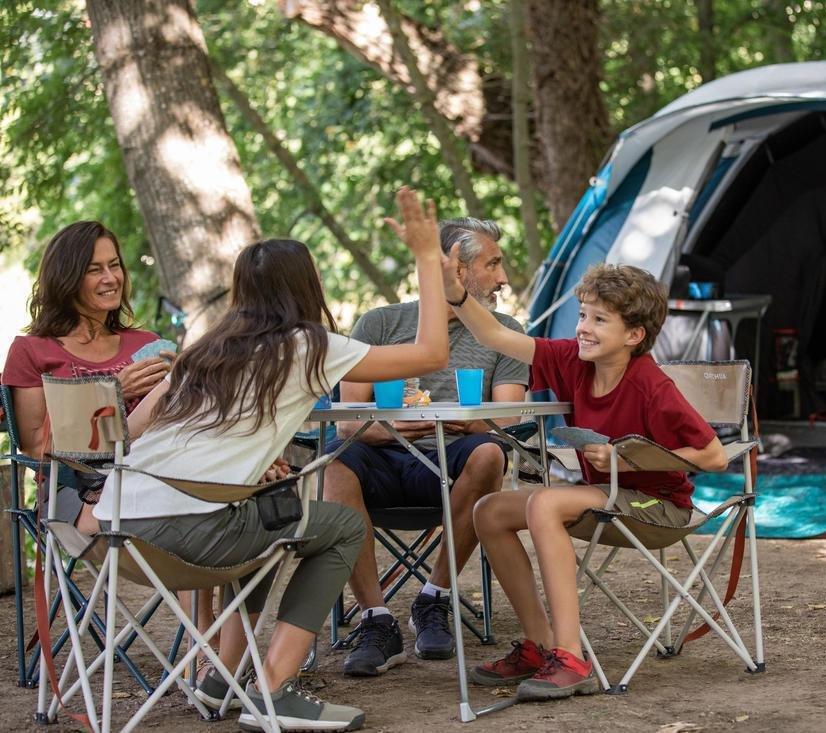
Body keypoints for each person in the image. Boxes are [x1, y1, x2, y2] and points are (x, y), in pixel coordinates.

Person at [95, 187, 449, 732]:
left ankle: (220, 681)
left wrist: (237, 463)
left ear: (243, 291)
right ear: (309, 288)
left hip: (119, 530)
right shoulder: (308, 345)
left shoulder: (204, 349)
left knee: (269, 513)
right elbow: (431, 354)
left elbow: (134, 432)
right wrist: (428, 255)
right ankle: (275, 689)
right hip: (196, 528)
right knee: (339, 526)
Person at [442, 258, 729, 702]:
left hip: (659, 506)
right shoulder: (574, 363)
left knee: (544, 502)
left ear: (634, 336)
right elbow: (495, 336)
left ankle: (571, 657)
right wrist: (456, 294)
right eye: (581, 315)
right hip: (607, 497)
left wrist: (626, 461)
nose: (583, 328)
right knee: (490, 511)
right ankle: (538, 647)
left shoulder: (651, 386)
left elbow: (713, 456)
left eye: (599, 319)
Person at [323, 217, 528, 676]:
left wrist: (447, 420)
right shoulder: (379, 323)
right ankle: (376, 620)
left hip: (455, 459)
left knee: (491, 453)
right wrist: (390, 426)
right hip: (382, 454)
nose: (503, 277)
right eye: (492, 264)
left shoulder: (504, 331)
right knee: (334, 464)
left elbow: (508, 420)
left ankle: (433, 598)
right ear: (453, 269)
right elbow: (346, 423)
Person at [2, 221, 172, 530]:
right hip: (74, 488)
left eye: (114, 265)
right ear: (66, 279)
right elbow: (34, 444)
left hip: (155, 473)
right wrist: (112, 391)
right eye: (95, 269)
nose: (111, 278)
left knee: (262, 510)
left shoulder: (146, 343)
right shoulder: (33, 350)